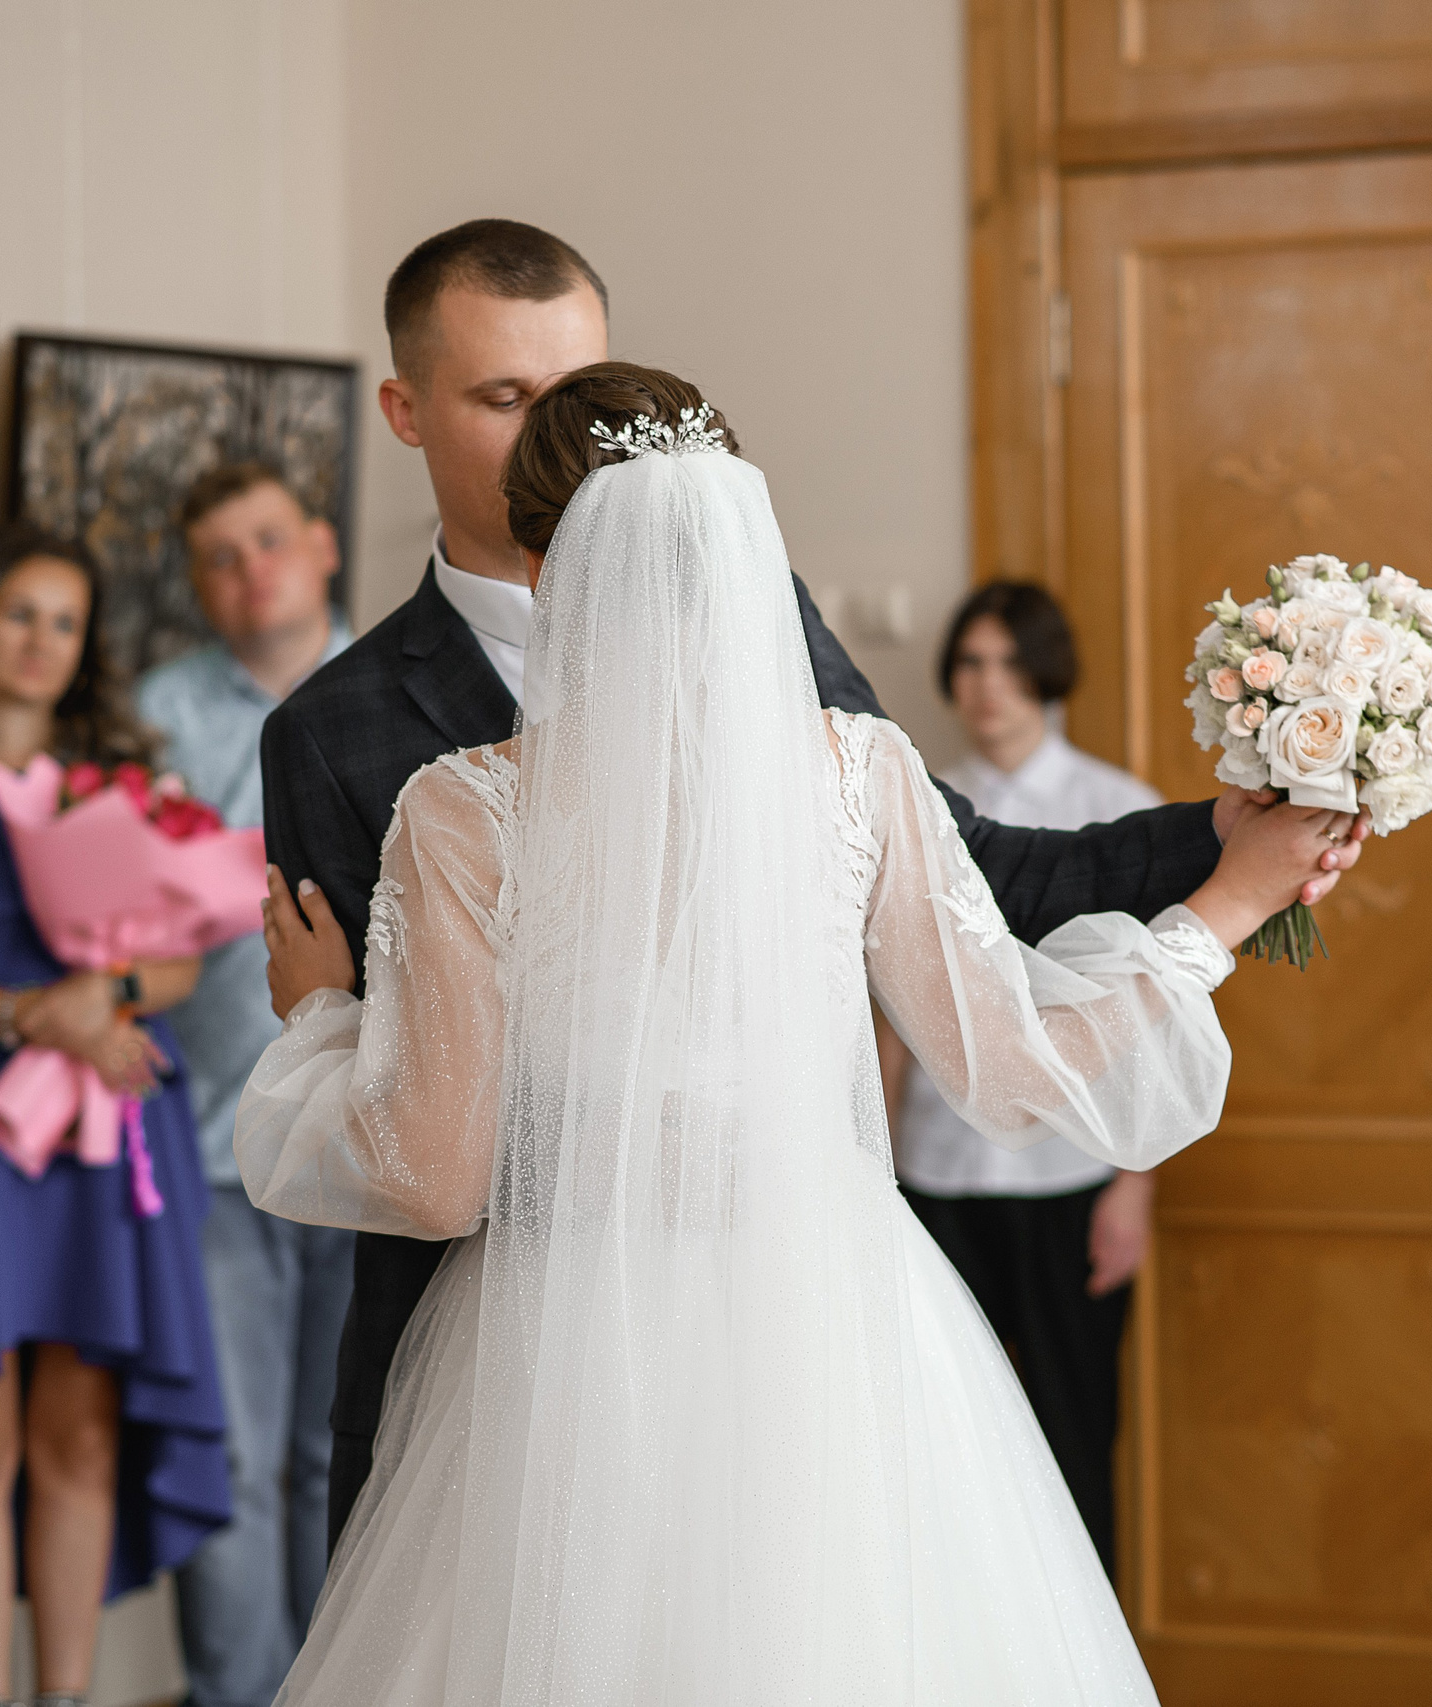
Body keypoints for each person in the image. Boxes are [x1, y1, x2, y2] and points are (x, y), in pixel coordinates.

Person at [234, 364, 1352, 1701]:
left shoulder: (466, 811)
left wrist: (319, 1015)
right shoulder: (858, 771)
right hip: (834, 1324)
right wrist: (1224, 904)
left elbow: (434, 1170)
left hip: (570, 1343)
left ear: (544, 556)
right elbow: (1011, 1070)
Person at [0, 521, 228, 1707]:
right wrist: (32, 1015)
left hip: (107, 1113)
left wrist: (99, 997)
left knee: (80, 1437)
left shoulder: (129, 776)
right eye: (19, 612)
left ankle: (63, 1696)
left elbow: (180, 965)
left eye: (64, 622)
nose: (40, 642)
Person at [878, 581, 1164, 1580]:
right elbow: (893, 1013)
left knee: (1070, 1428)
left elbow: (1153, 1022)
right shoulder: (921, 805)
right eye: (970, 664)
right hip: (940, 1171)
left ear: (1046, 674)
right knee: (942, 1442)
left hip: (1067, 1176)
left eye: (1007, 664)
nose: (987, 687)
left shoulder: (1113, 807)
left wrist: (1134, 1187)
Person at [139, 464, 355, 1707]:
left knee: (351, 1459)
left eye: (267, 542)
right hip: (209, 1145)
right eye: (218, 556)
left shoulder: (406, 684)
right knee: (225, 1457)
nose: (248, 572)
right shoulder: (155, 718)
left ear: (320, 547)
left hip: (370, 1140)